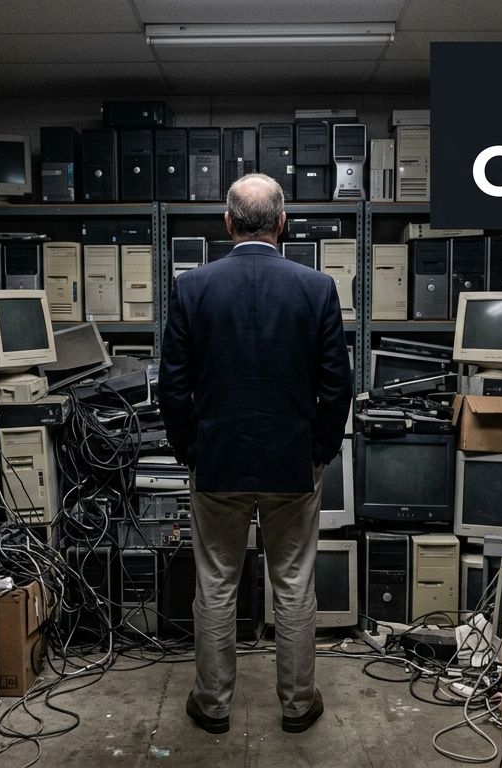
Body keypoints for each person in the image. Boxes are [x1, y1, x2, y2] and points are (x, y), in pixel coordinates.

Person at [158, 173, 353, 735]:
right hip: (292, 464)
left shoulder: (192, 287)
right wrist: (318, 451)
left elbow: (173, 387)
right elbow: (336, 386)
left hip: (217, 463)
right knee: (293, 584)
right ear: (283, 223)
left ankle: (213, 705)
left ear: (227, 222)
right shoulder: (316, 288)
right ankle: (297, 706)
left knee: (216, 583)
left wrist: (191, 450)